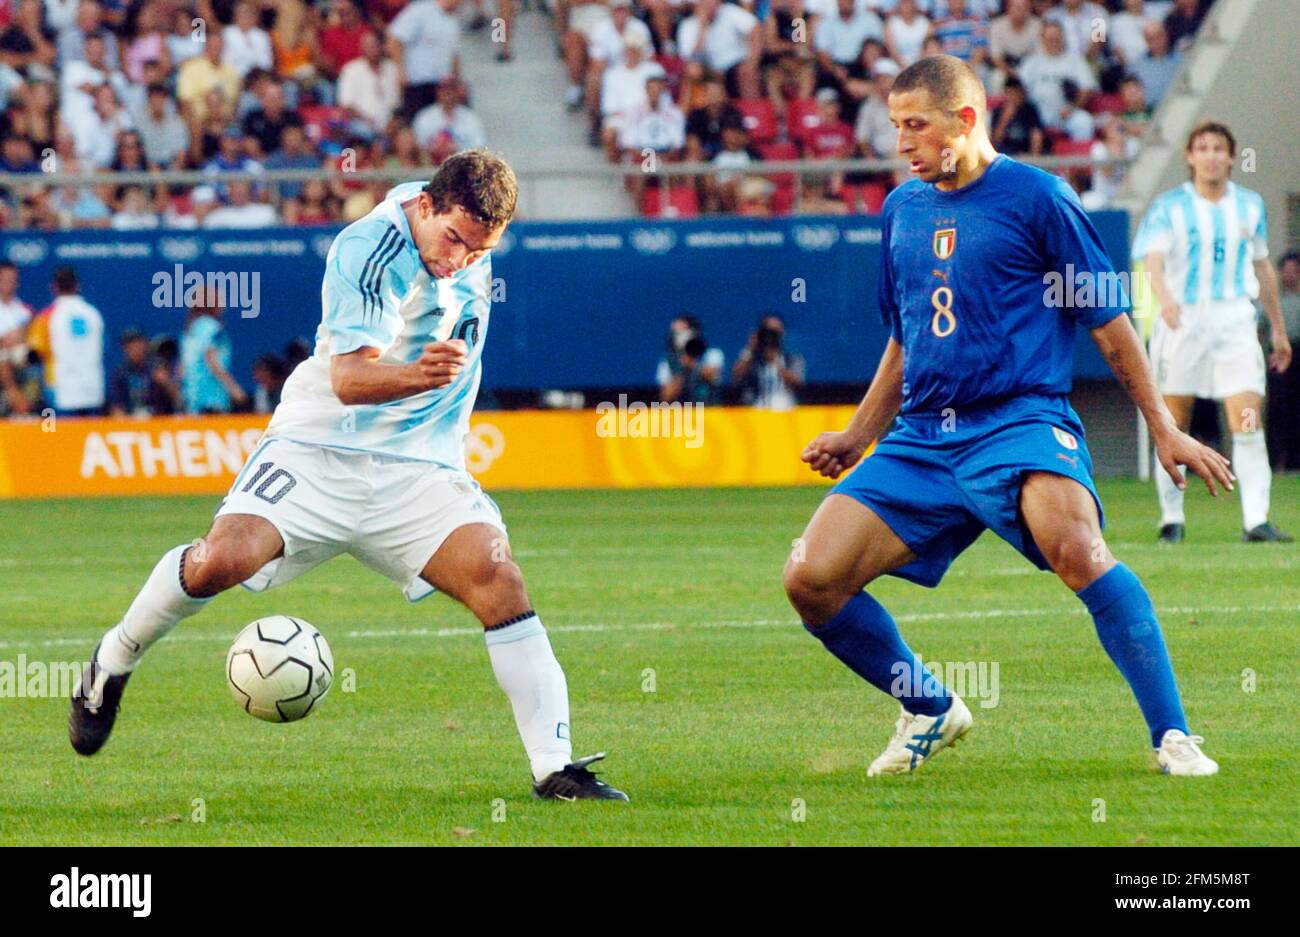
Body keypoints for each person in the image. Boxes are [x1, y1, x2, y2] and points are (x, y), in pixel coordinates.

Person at [69, 150, 629, 803]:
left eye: (480, 251)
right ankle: (113, 660)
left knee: (499, 579)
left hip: (419, 467)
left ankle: (553, 768)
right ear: (426, 205)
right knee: (220, 558)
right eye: (454, 240)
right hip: (318, 447)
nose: (462, 260)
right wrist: (419, 374)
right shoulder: (367, 249)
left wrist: (457, 288)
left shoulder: (464, 236)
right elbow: (349, 378)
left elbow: (463, 249)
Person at [783, 55, 1229, 780]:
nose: (902, 144)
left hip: (1018, 420)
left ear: (966, 118)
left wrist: (1163, 425)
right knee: (810, 577)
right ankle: (929, 707)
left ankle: (1173, 734)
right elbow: (905, 335)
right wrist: (859, 435)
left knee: (1078, 548)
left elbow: (1110, 325)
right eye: (896, 127)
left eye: (915, 126)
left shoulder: (1040, 198)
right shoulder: (902, 208)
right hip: (923, 436)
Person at [1133, 121, 1293, 543]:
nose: (1210, 155)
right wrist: (1164, 298)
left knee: (1246, 418)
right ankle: (1172, 519)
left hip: (1235, 321)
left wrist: (1277, 329)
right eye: (1202, 147)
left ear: (1230, 156)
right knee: (1173, 421)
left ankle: (1256, 520)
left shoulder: (1249, 205)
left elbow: (1262, 266)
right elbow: (1152, 258)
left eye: (1218, 148)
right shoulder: (1171, 206)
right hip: (1182, 321)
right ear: (1190, 157)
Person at [28, 265, 104, 415]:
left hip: (61, 390)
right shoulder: (93, 314)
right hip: (92, 388)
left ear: (53, 287)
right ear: (77, 286)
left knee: (63, 437)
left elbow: (34, 353)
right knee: (87, 436)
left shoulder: (47, 316)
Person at [179, 292, 248, 413]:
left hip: (192, 400)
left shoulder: (189, 331)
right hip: (212, 400)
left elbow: (182, 370)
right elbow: (212, 363)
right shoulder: (210, 327)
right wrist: (236, 391)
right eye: (219, 300)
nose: (223, 305)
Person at [1264, 253, 1300, 470]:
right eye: (1286, 270)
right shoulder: (1272, 300)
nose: (1290, 275)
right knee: (1277, 408)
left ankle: (1296, 459)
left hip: (1298, 354)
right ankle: (1276, 459)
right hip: (1276, 356)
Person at [732, 313, 803, 410]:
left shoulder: (792, 359)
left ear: (782, 332)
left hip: (785, 410)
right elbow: (736, 377)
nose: (770, 336)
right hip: (755, 410)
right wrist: (749, 348)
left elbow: (798, 383)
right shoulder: (751, 358)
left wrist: (775, 361)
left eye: (774, 332)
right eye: (767, 331)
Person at [657, 314, 724, 404]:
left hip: (710, 413)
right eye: (674, 333)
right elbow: (666, 397)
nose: (678, 336)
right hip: (685, 415)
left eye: (682, 332)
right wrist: (680, 370)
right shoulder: (668, 362)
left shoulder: (712, 354)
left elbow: (712, 375)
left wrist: (691, 363)